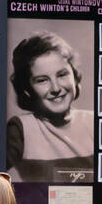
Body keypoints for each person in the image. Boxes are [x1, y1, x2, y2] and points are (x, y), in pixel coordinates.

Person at [7, 33, 94, 182]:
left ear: (74, 76)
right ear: (27, 89)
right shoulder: (20, 129)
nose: (56, 88)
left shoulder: (95, 122)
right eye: (42, 80)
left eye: (62, 75)